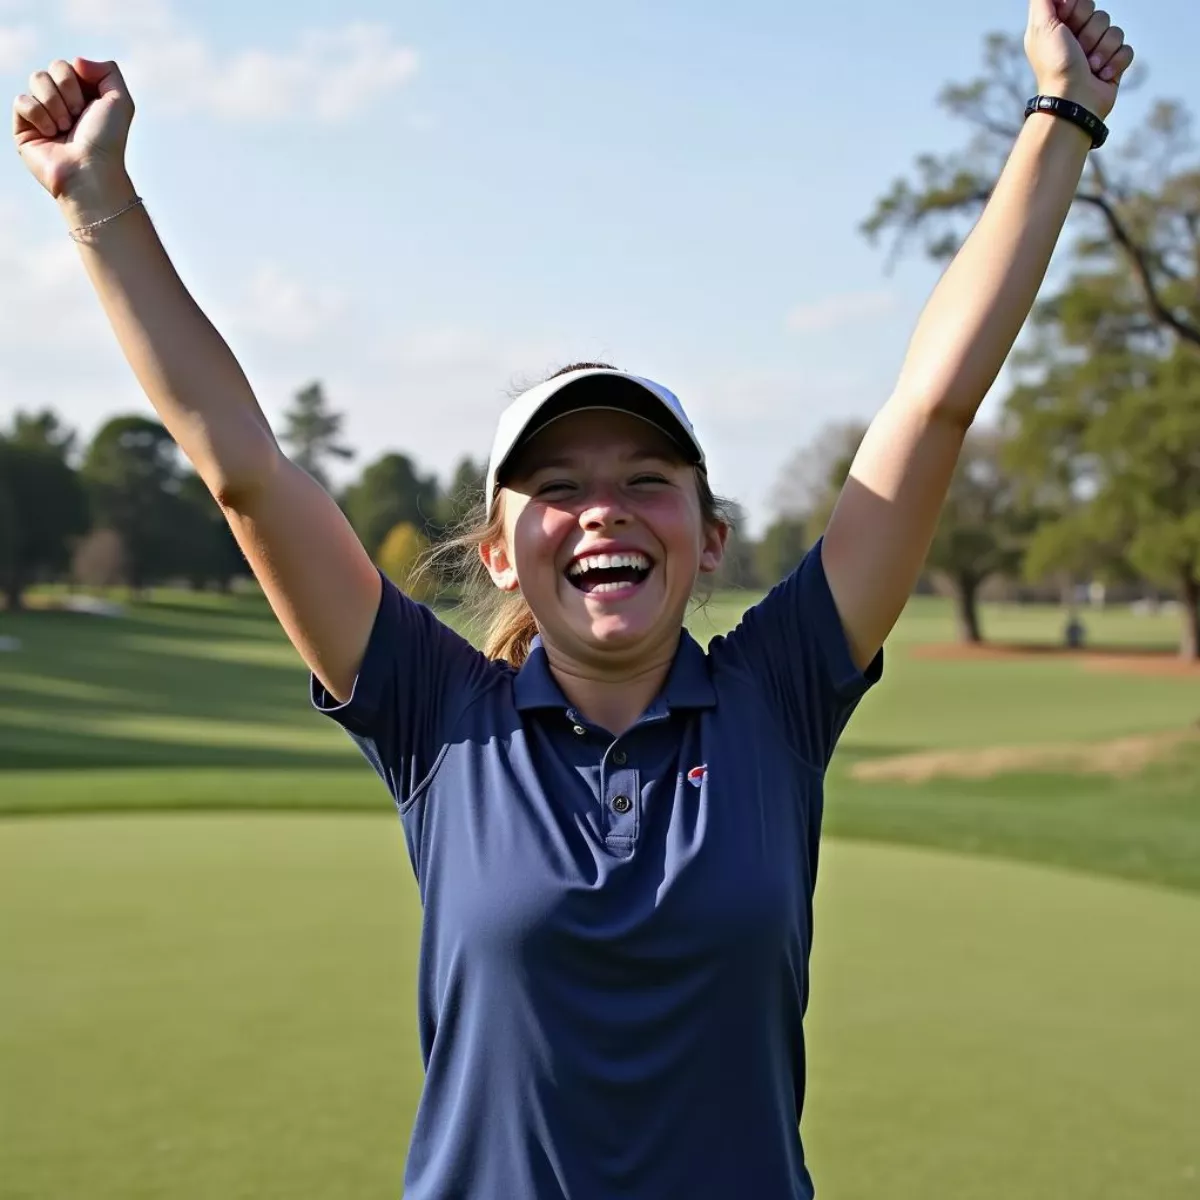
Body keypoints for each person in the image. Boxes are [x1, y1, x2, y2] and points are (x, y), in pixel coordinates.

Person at [12, 1, 1134, 1195]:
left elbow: (932, 407)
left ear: (709, 540)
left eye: (645, 482)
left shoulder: (780, 692)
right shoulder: (435, 715)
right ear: (500, 553)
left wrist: (1060, 115)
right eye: (557, 488)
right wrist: (94, 199)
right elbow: (244, 470)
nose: (602, 509)